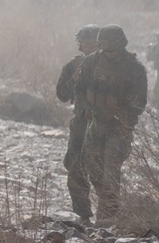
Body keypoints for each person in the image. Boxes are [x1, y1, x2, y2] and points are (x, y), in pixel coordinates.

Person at [73, 24, 148, 223]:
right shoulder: (91, 62)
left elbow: (140, 102)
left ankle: (108, 216)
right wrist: (86, 108)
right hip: (96, 124)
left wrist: (124, 115)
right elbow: (79, 89)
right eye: (104, 48)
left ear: (121, 45)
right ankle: (108, 207)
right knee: (93, 170)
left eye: (111, 49)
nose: (107, 53)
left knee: (111, 170)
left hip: (118, 127)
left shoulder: (135, 68)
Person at [55, 25, 101, 221]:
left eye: (93, 44)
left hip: (106, 125)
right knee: (75, 166)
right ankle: (82, 213)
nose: (88, 47)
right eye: (85, 43)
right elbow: (62, 95)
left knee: (102, 168)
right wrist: (74, 78)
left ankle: (109, 213)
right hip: (81, 123)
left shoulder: (113, 66)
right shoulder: (73, 66)